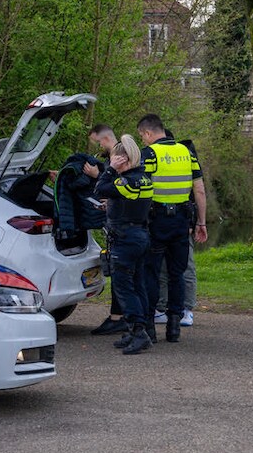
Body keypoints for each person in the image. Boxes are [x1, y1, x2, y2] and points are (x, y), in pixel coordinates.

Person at [138, 114, 207, 344]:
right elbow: (199, 191)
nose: (143, 140)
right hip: (181, 222)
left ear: (148, 133)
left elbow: (140, 190)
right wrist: (201, 223)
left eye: (142, 136)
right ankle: (174, 325)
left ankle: (149, 326)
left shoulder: (148, 154)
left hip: (155, 222)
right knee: (177, 274)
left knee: (153, 273)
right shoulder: (187, 153)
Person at [93, 134, 154, 354]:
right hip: (140, 236)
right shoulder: (144, 178)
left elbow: (99, 189)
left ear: (123, 160)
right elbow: (131, 202)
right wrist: (111, 206)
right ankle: (136, 329)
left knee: (124, 288)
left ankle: (139, 332)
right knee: (138, 285)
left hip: (126, 240)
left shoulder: (124, 180)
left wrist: (109, 169)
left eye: (115, 160)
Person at [85, 124, 130, 336]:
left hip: (122, 223)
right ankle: (120, 315)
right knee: (120, 271)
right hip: (117, 219)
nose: (97, 147)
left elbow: (119, 184)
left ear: (104, 139)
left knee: (121, 271)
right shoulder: (119, 153)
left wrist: (97, 175)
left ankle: (119, 318)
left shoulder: (120, 155)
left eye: (97, 142)